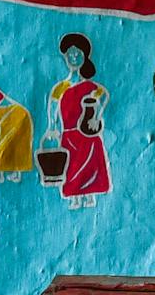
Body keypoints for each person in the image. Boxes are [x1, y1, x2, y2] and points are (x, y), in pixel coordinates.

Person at [47, 33, 110, 207]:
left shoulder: (90, 86)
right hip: (69, 136)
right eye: (70, 54)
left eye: (78, 53)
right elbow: (53, 107)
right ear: (65, 57)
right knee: (73, 168)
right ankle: (75, 197)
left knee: (91, 167)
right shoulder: (61, 87)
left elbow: (103, 96)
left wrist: (96, 117)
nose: (74, 57)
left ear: (85, 56)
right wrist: (52, 126)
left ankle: (89, 196)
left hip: (87, 135)